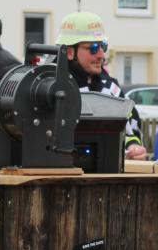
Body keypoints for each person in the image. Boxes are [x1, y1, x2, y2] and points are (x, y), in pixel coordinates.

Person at [57, 12, 147, 161]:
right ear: (70, 51)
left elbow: (131, 127)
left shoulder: (111, 88)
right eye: (93, 48)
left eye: (102, 46)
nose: (101, 55)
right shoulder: (50, 87)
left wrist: (133, 148)